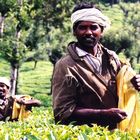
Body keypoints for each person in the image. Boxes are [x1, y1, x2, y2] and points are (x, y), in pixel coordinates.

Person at [51, 2, 140, 130]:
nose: (88, 32)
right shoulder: (65, 66)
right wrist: (102, 114)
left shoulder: (112, 58)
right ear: (74, 31)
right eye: (82, 27)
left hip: (116, 133)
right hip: (85, 135)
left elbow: (126, 82)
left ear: (101, 31)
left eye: (93, 27)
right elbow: (62, 113)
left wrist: (135, 82)